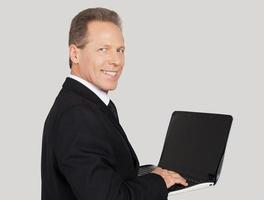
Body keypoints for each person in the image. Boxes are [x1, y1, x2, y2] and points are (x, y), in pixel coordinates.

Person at [41, 7, 187, 200]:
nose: (116, 60)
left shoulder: (87, 103)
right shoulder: (77, 115)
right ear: (75, 54)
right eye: (103, 49)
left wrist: (150, 175)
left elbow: (101, 176)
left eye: (120, 50)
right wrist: (159, 181)